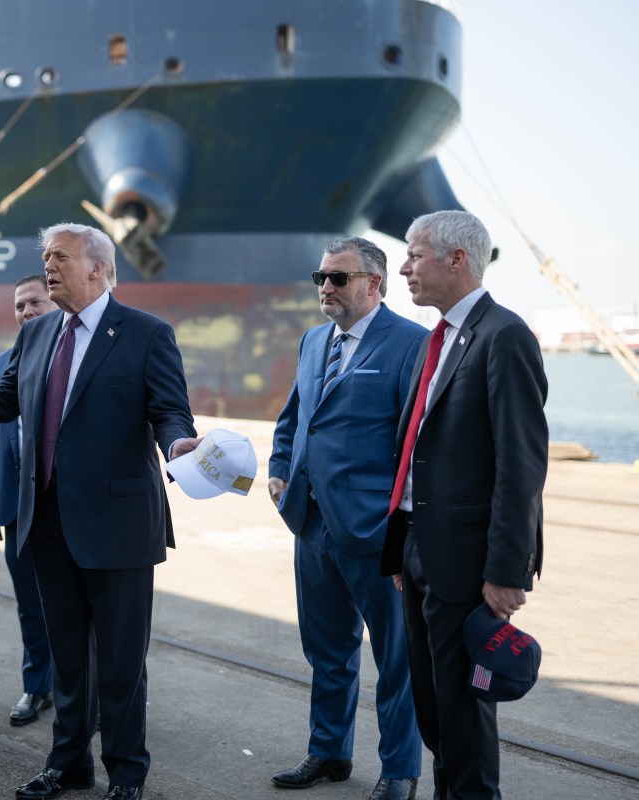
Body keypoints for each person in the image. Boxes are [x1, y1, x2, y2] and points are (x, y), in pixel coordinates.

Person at [0, 222, 198, 800]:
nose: (48, 267)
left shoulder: (147, 334)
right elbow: (1, 402)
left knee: (122, 664)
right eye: (46, 257)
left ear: (98, 268)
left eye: (60, 258)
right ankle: (68, 764)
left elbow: (170, 412)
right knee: (67, 656)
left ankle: (126, 775)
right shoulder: (36, 334)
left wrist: (178, 445)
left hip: (118, 526)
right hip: (45, 520)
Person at [381, 210, 547, 800]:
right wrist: (401, 548)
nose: (403, 266)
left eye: (415, 254)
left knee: (464, 713)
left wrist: (507, 572)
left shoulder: (504, 336)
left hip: (469, 565)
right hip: (419, 553)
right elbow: (421, 451)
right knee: (434, 708)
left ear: (457, 259)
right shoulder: (439, 338)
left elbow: (521, 465)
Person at [268, 238, 425, 800]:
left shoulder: (411, 344)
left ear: (374, 283)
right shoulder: (313, 341)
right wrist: (278, 471)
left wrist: (404, 535)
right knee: (326, 650)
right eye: (320, 278)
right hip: (310, 524)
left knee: (396, 658)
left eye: (338, 278)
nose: (325, 288)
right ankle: (329, 752)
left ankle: (400, 770)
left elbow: (418, 447)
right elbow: (294, 419)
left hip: (375, 532)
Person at [0, 274, 57, 726]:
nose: (26, 312)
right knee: (30, 604)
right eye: (20, 306)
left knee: (78, 607)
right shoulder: (2, 362)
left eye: (35, 304)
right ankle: (36, 687)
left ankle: (86, 691)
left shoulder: (71, 358)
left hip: (64, 506)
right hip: (17, 508)